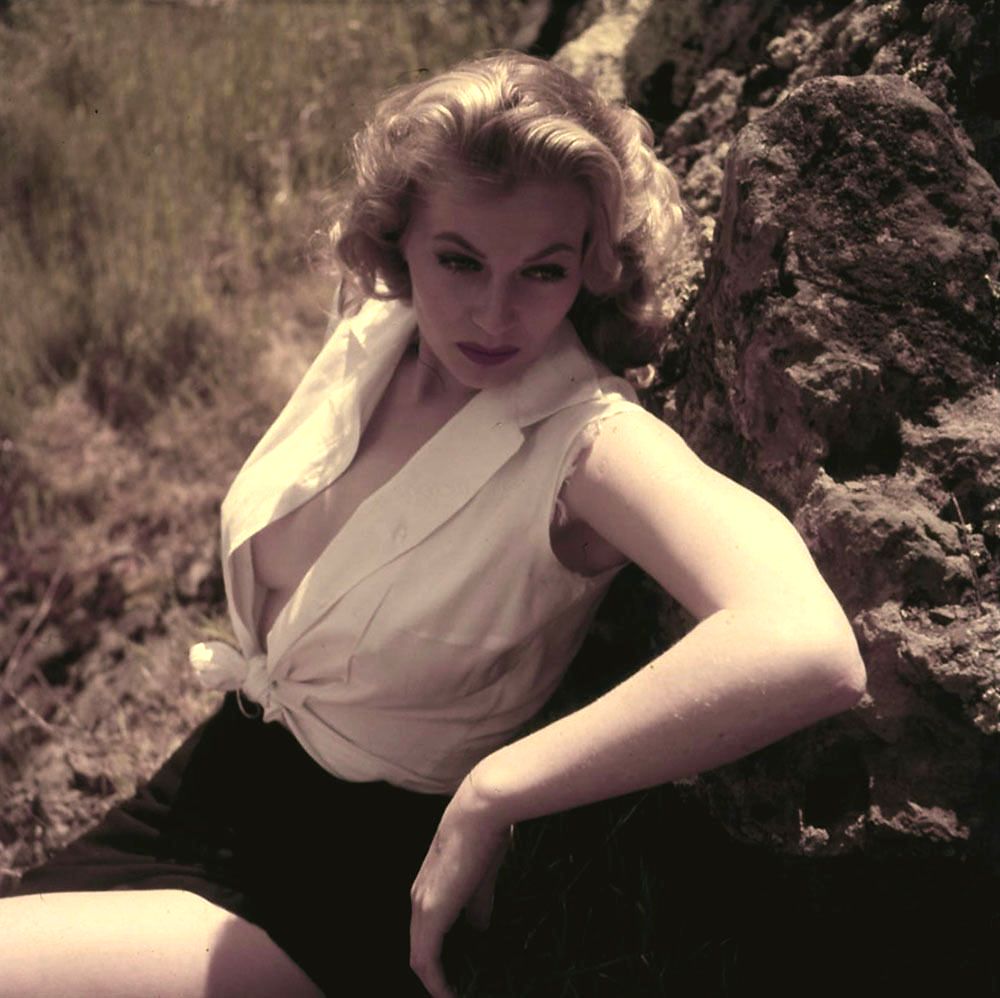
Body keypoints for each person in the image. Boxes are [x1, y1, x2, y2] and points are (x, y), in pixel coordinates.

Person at [0, 51, 866, 997]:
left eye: (543, 270)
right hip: (200, 786)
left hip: (335, 888)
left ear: (591, 265)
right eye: (459, 260)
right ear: (398, 237)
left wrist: (497, 791)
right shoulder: (374, 331)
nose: (494, 314)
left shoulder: (589, 444)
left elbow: (807, 643)